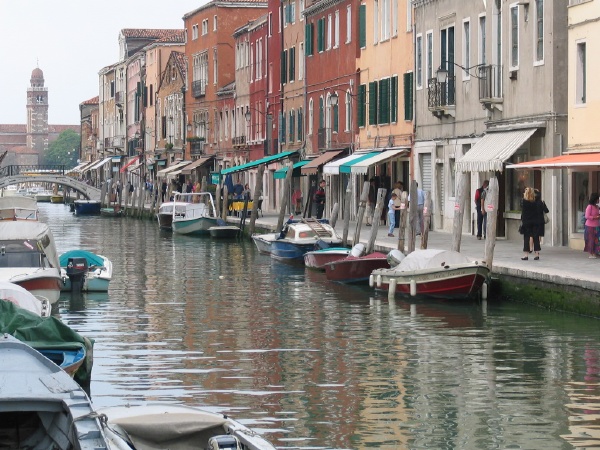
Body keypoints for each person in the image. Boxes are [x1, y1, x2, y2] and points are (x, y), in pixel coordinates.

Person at [520, 187, 542, 260]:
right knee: (536, 237)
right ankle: (536, 254)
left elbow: (523, 213)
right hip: (535, 221)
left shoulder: (524, 202)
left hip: (527, 222)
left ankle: (526, 255)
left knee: (526, 238)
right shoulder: (536, 201)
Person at [584, 192, 600, 259]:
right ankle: (591, 253)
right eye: (597, 199)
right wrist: (595, 217)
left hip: (597, 226)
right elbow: (587, 216)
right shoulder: (589, 206)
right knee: (591, 240)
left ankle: (596, 252)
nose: (598, 200)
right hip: (590, 226)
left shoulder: (597, 207)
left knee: (597, 240)